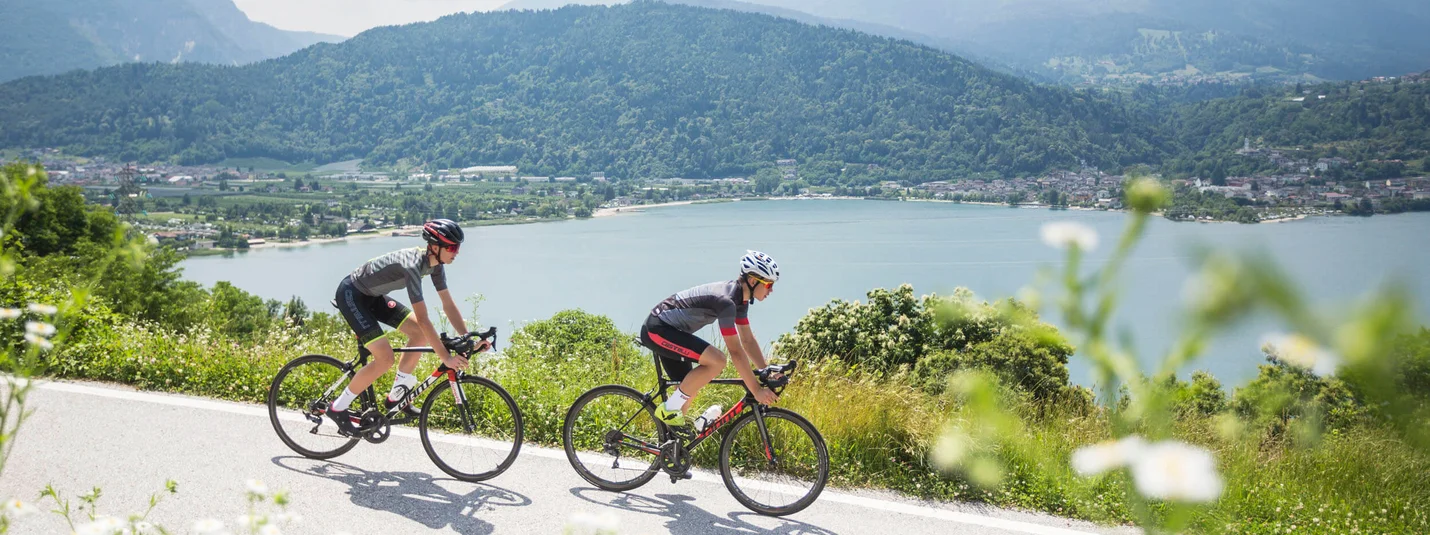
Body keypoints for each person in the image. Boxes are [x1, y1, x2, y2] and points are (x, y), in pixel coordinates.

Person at [326, 218, 487, 435]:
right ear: (435, 247)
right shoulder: (412, 266)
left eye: (457, 247)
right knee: (385, 358)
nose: (456, 252)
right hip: (352, 295)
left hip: (373, 296)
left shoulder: (436, 266)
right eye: (451, 247)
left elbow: (448, 304)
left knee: (419, 334)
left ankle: (396, 397)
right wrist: (446, 358)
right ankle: (337, 408)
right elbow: (423, 318)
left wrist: (468, 338)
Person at [639, 250, 782, 427]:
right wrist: (757, 390)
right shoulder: (726, 301)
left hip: (672, 331)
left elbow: (748, 341)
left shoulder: (740, 301)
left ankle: (671, 439)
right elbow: (736, 351)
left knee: (689, 388)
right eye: (769, 284)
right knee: (717, 360)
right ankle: (668, 410)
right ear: (753, 281)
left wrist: (766, 371)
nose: (771, 290)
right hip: (657, 329)